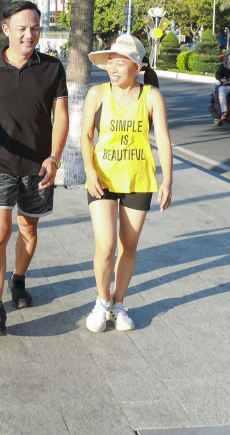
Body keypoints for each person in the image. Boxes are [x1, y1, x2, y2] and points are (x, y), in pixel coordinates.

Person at [0, 0, 68, 336]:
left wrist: (54, 157)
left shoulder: (52, 68)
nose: (29, 34)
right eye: (22, 28)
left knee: (29, 229)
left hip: (38, 165)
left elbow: (60, 116)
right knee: (1, 231)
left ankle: (17, 280)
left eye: (35, 27)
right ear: (5, 29)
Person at [81, 35, 173, 332]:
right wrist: (89, 171)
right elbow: (84, 136)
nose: (113, 67)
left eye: (120, 62)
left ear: (136, 66)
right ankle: (101, 301)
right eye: (111, 62)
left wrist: (167, 181)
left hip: (138, 179)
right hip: (102, 179)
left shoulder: (151, 96)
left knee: (129, 247)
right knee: (106, 246)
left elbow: (164, 140)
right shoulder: (97, 93)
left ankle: (118, 304)